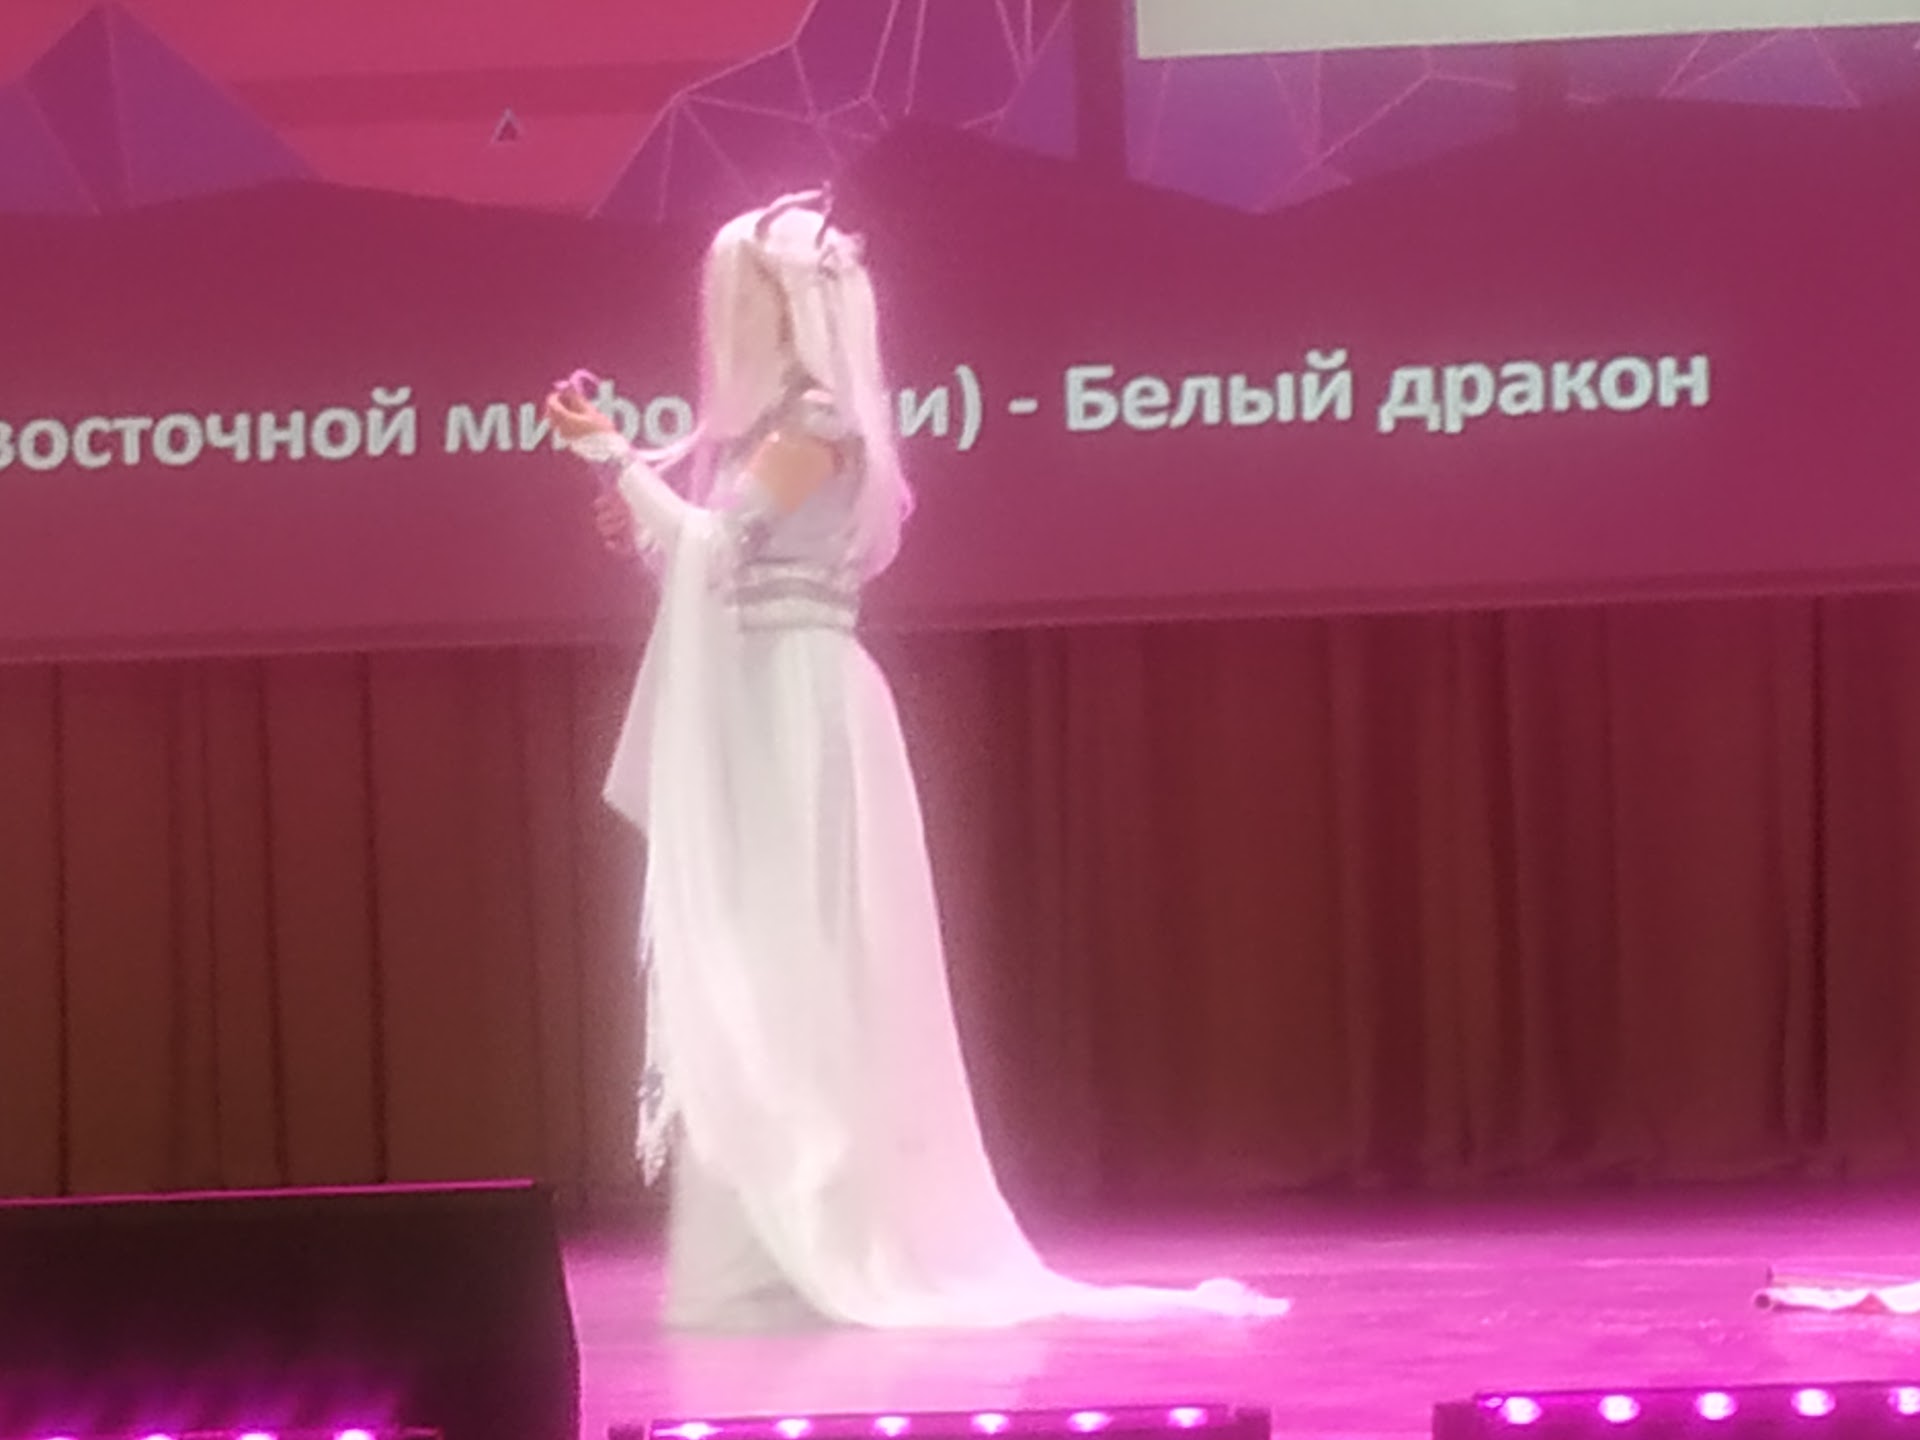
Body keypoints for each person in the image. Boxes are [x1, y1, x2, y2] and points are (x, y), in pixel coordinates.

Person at [545, 190, 1289, 1331]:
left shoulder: (817, 424)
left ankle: (829, 1229)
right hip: (758, 699)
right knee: (760, 960)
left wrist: (615, 460)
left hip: (800, 707)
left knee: (807, 960)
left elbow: (718, 547)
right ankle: (769, 1237)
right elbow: (707, 570)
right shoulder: (769, 430)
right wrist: (629, 496)